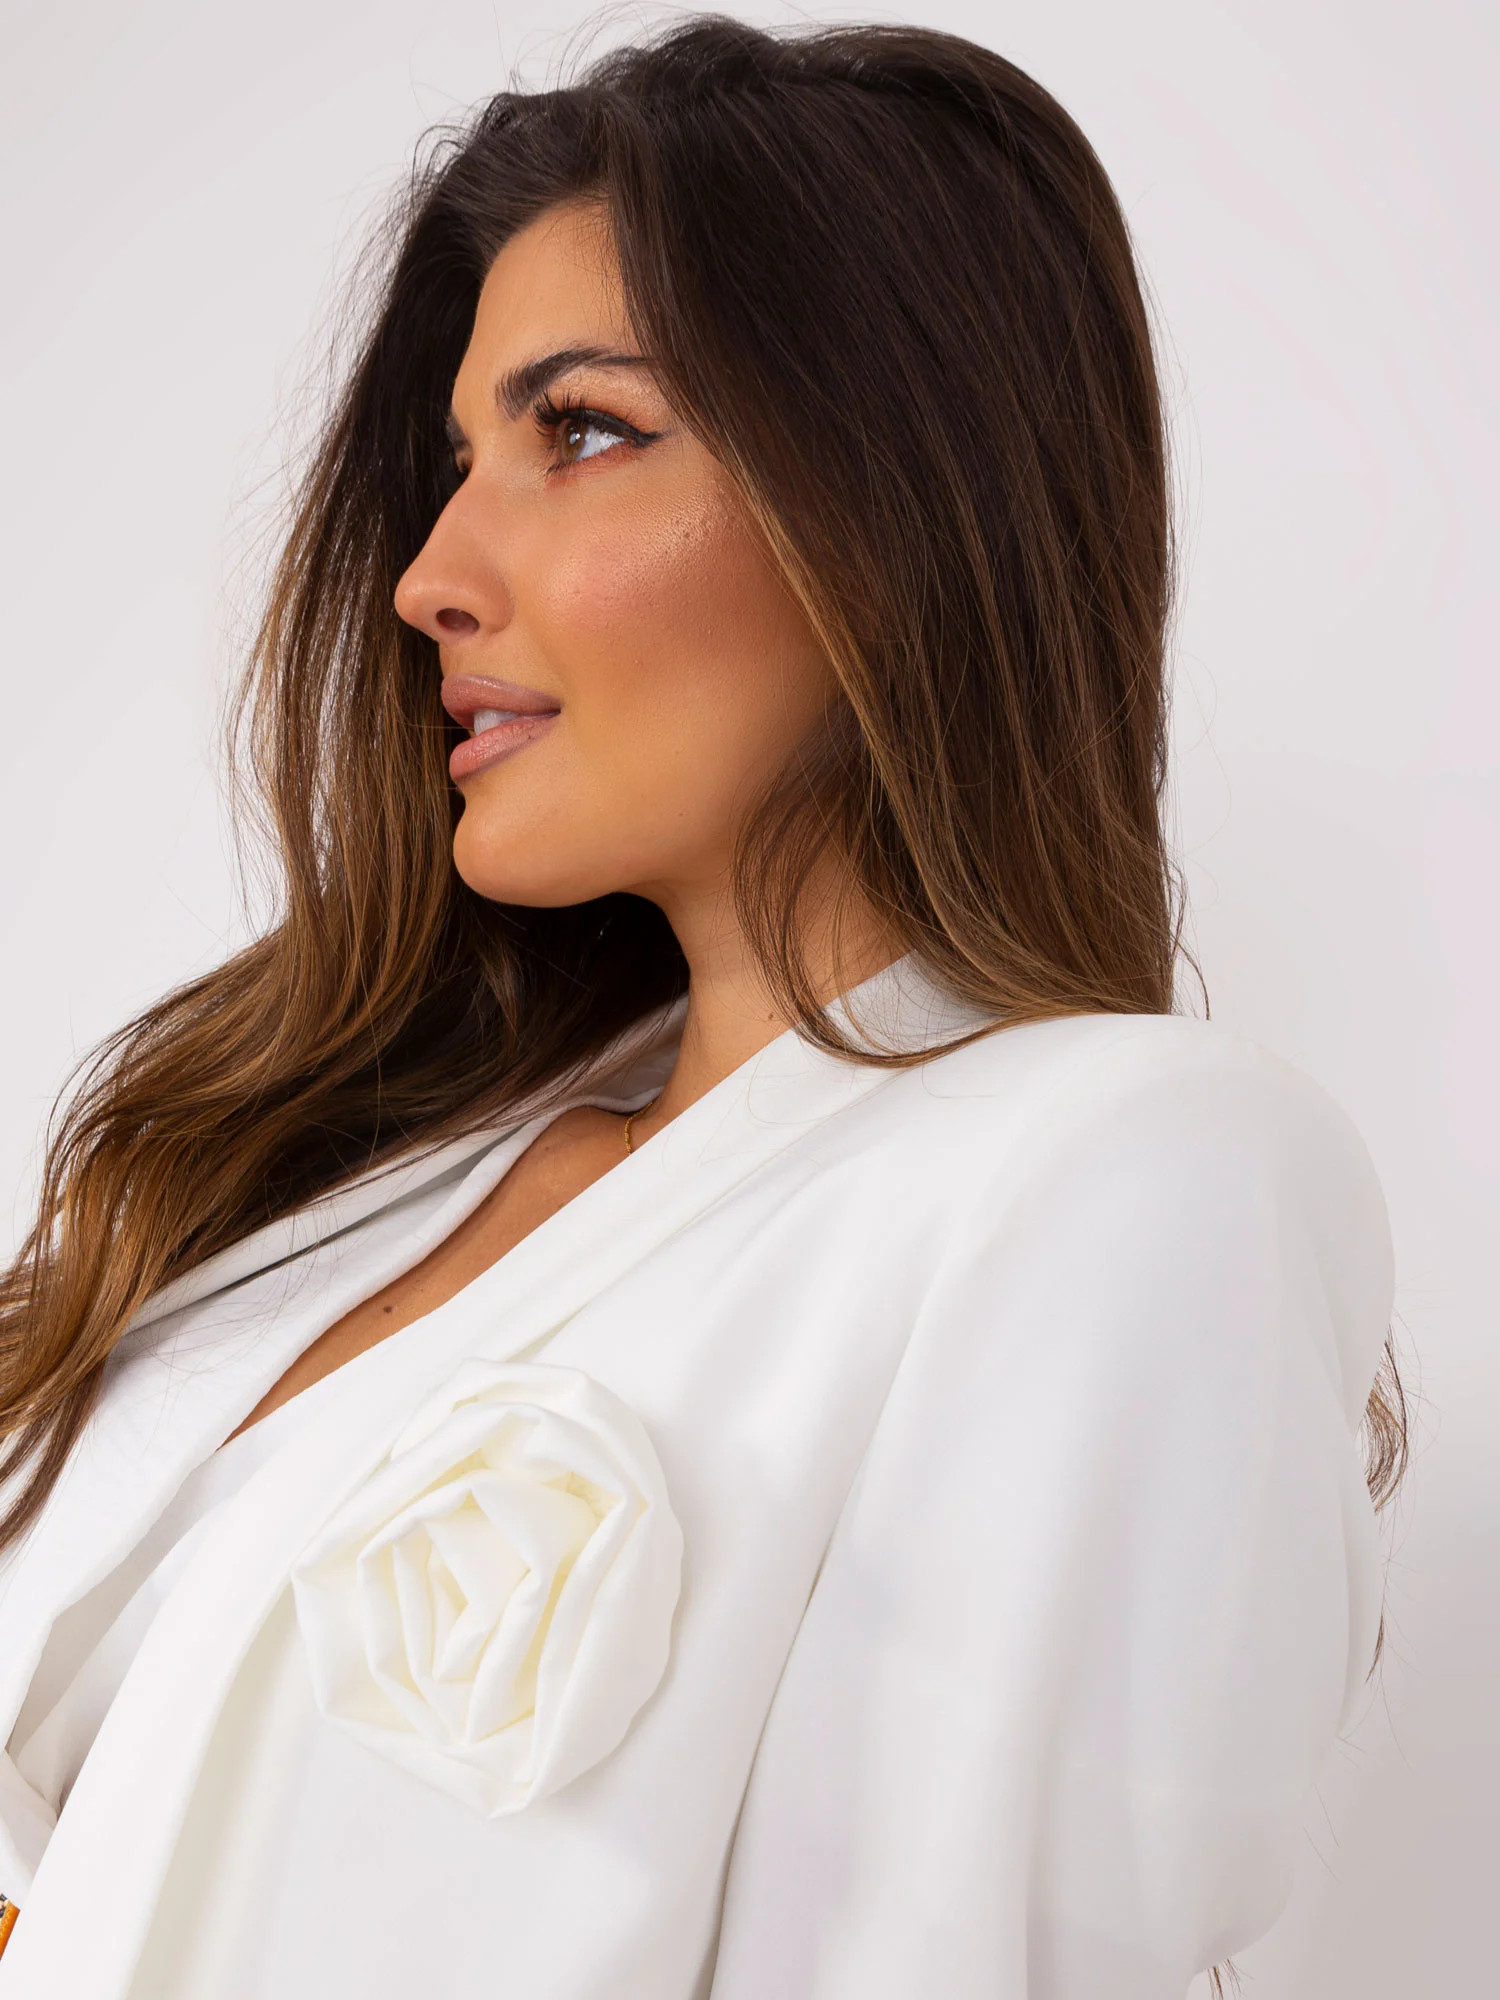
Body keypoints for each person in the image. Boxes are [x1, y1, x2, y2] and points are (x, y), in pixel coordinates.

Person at [0, 16, 1405, 1998]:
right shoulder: (352, 1175)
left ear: (894, 499)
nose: (427, 576)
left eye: (582, 432)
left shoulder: (1131, 1174)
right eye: (455, 465)